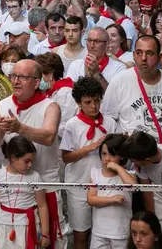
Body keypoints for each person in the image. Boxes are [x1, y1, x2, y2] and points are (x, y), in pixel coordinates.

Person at [0, 59, 66, 248]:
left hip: (46, 184)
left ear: (37, 82)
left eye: (22, 77)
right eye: (13, 76)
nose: (15, 81)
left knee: (51, 240)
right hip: (12, 189)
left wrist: (19, 127)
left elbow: (48, 137)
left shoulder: (50, 106)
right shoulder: (1, 106)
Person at [102, 36, 162, 148]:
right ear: (133, 55)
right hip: (132, 157)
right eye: (139, 53)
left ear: (159, 57)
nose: (144, 58)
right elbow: (108, 120)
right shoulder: (119, 82)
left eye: (150, 53)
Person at [60, 76, 116, 249]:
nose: (94, 106)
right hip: (79, 185)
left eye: (97, 101)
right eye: (88, 102)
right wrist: (89, 148)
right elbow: (66, 157)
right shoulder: (72, 125)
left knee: (104, 234)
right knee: (81, 234)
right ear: (78, 103)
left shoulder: (110, 122)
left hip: (105, 186)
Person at [0, 136, 50, 249]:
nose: (30, 165)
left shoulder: (35, 177)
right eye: (26, 161)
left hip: (28, 226)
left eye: (32, 161)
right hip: (4, 226)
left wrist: (45, 233)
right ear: (13, 158)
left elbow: (42, 206)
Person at [87, 134, 137, 249]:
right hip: (99, 231)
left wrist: (118, 168)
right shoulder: (95, 174)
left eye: (112, 154)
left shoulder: (128, 175)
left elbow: (133, 188)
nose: (107, 159)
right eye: (104, 154)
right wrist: (112, 200)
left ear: (122, 157)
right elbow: (91, 199)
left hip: (121, 232)